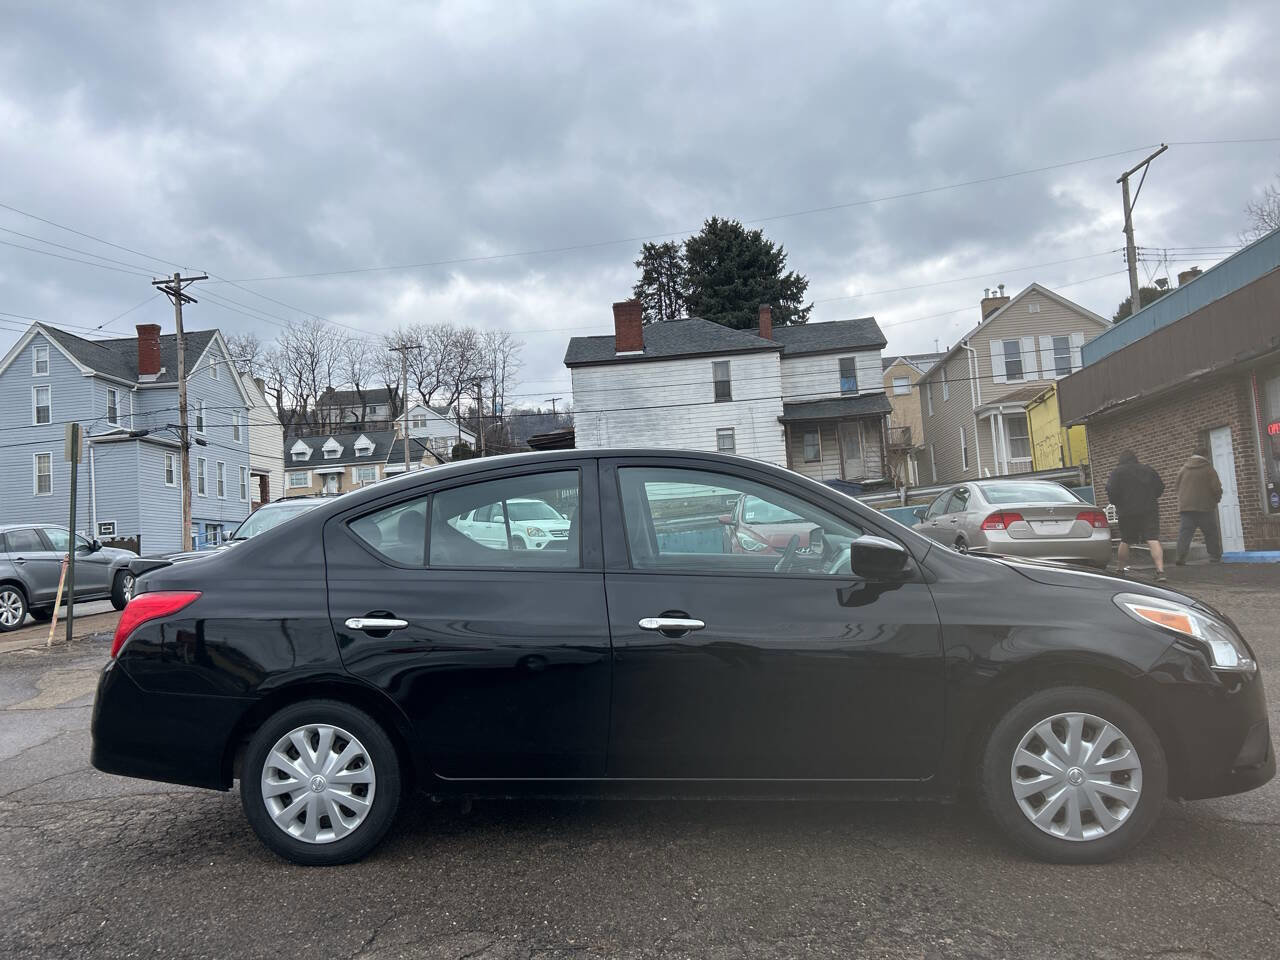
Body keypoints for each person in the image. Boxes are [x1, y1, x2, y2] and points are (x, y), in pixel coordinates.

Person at [1106, 450, 1166, 581]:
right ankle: (1160, 571)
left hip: (1127, 512)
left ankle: (1120, 570)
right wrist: (1150, 498)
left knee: (1126, 540)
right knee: (1153, 539)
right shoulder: (1148, 470)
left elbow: (1111, 490)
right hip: (1149, 510)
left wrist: (1117, 503)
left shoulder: (1117, 472)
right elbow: (1160, 487)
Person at [1175, 445, 1224, 564]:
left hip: (1186, 508)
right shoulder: (1208, 469)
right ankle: (1214, 556)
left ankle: (1180, 557)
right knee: (1210, 532)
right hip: (1205, 507)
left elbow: (1177, 486)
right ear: (1205, 455)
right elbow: (1216, 488)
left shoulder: (1183, 469)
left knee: (1185, 534)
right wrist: (1216, 499)